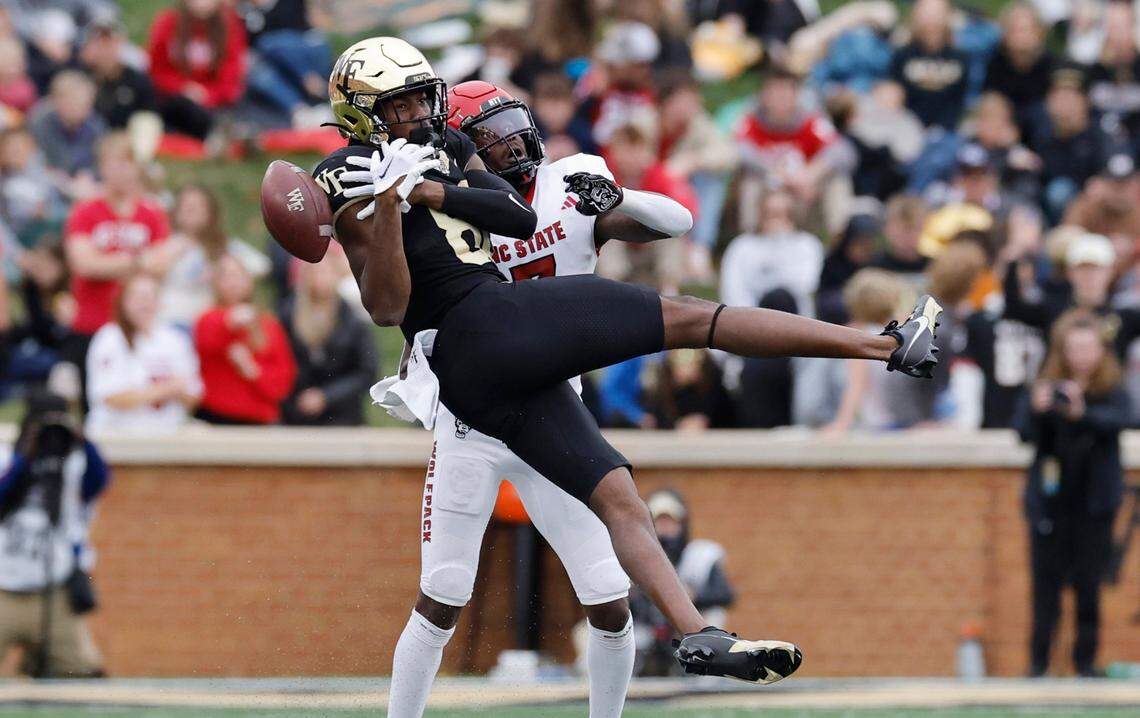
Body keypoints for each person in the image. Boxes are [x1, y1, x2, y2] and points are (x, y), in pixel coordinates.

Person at [302, 37, 941, 687]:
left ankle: (697, 635)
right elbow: (384, 304)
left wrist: (440, 189)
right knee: (691, 320)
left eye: (423, 98)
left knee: (618, 500)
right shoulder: (346, 171)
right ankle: (887, 345)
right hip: (478, 346)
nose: (425, 115)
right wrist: (385, 200)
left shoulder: (485, 162)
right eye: (404, 103)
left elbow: (528, 217)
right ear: (363, 113)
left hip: (534, 367)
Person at [370, 79, 697, 718]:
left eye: (514, 125)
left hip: (553, 409)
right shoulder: (452, 203)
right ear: (464, 145)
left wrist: (619, 197)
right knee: (442, 593)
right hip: (474, 419)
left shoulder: (568, 180)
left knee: (608, 594)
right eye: (488, 136)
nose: (510, 143)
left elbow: (677, 221)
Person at [1016, 309, 1129, 677]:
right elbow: (1023, 432)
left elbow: (1123, 420)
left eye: (1088, 347)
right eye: (1073, 347)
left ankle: (1085, 662)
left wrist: (1083, 413)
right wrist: (1037, 410)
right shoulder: (1046, 383)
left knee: (1089, 585)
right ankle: (1038, 664)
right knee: (1045, 586)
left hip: (1094, 502)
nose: (1081, 355)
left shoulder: (1112, 388)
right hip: (1050, 502)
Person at [0, 392, 108, 677]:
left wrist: (79, 437)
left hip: (55, 592)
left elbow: (99, 481)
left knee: (83, 675)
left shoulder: (74, 463)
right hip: (4, 591)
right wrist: (26, 456)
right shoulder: (7, 458)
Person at [62, 133, 171, 388]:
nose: (121, 172)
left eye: (126, 163)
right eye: (114, 164)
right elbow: (84, 264)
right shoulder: (86, 211)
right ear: (102, 168)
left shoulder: (151, 213)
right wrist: (137, 261)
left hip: (138, 326)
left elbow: (161, 265)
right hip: (92, 322)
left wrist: (108, 262)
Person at [631, 490, 734, 677]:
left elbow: (725, 594)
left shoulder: (700, 555)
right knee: (590, 631)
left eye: (669, 521)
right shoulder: (631, 555)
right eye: (659, 521)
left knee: (714, 616)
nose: (665, 527)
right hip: (645, 627)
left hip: (687, 627)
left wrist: (692, 597)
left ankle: (706, 679)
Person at [85, 274, 201, 434]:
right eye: (138, 297)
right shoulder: (110, 337)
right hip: (117, 435)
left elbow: (193, 396)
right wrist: (167, 389)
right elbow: (110, 396)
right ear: (123, 301)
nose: (145, 303)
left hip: (167, 437)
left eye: (150, 296)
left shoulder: (175, 340)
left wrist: (160, 391)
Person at [193, 253, 295, 425]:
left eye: (238, 275)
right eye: (226, 276)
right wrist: (232, 320)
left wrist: (252, 370)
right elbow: (208, 339)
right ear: (216, 283)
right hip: (215, 418)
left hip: (259, 421)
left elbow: (283, 382)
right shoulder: (207, 320)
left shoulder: (269, 325)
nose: (232, 282)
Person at [280, 254, 376, 426]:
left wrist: (327, 396)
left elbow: (366, 371)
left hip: (343, 417)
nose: (320, 278)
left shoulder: (352, 319)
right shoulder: (287, 316)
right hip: (296, 416)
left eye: (326, 272)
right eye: (315, 272)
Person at [159, 184, 269, 329]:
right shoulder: (166, 243)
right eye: (186, 206)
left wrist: (222, 273)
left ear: (210, 213)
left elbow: (262, 265)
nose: (190, 211)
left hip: (210, 322)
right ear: (176, 212)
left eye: (197, 207)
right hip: (171, 321)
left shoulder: (223, 246)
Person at [146, 0, 247, 140]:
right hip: (175, 99)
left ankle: (223, 132)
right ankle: (222, 134)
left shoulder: (229, 26)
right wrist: (183, 88)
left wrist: (207, 94)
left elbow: (232, 79)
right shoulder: (167, 23)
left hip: (214, 104)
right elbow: (156, 72)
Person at [889, 0, 969, 131]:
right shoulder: (902, 55)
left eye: (936, 14)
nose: (931, 20)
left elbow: (958, 102)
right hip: (908, 128)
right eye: (926, 14)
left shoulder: (960, 58)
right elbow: (895, 95)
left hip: (946, 131)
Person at [26, 70, 106, 181]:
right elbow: (34, 163)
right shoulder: (39, 123)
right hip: (47, 183)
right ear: (56, 101)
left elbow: (100, 161)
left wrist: (88, 176)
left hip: (84, 185)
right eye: (75, 103)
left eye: (87, 104)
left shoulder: (96, 124)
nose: (84, 110)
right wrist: (62, 180)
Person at [79, 15, 156, 130]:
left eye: (109, 42)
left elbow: (149, 118)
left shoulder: (136, 80)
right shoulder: (80, 78)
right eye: (99, 42)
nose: (104, 49)